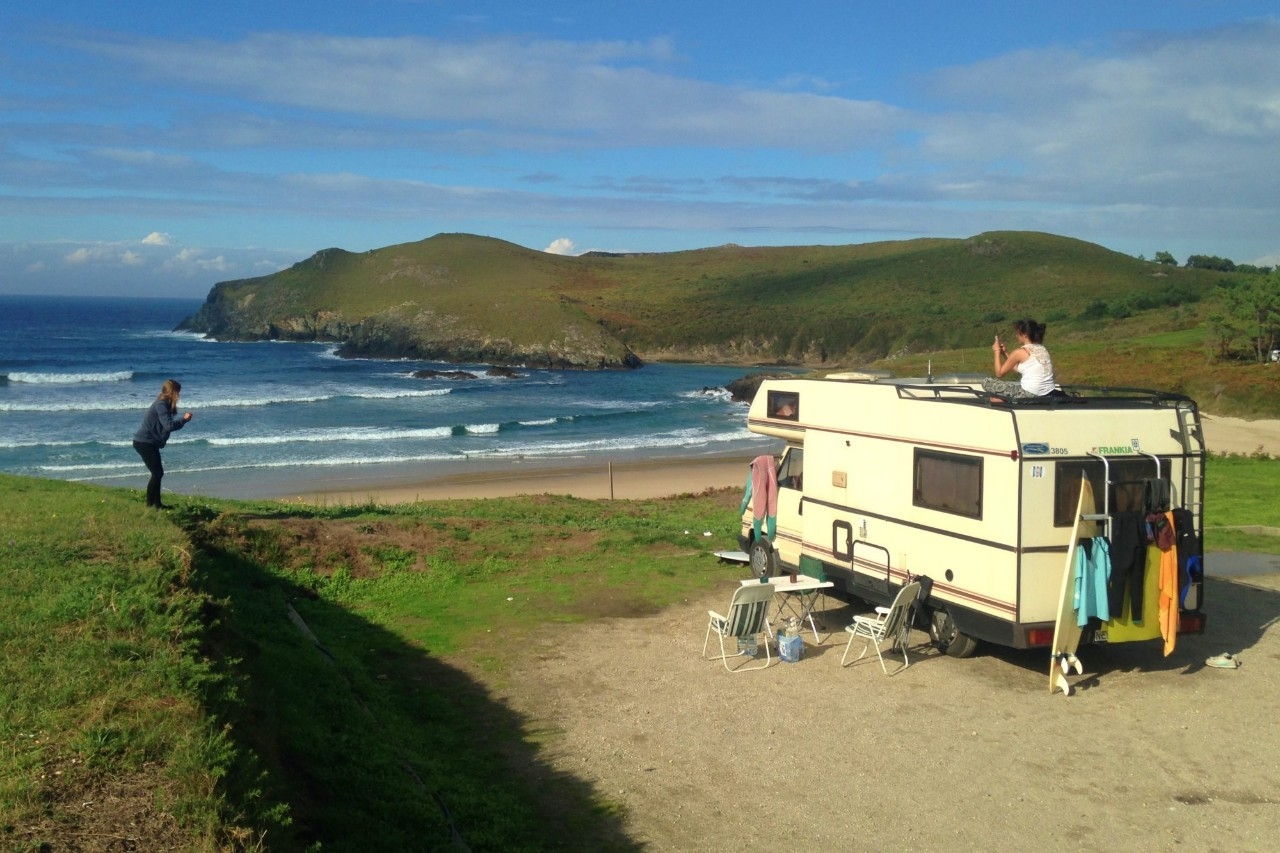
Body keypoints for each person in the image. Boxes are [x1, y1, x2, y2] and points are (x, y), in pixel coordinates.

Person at [133, 378, 193, 509]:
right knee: (157, 473)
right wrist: (184, 420)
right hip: (144, 442)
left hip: (149, 443)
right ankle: (149, 505)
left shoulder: (165, 404)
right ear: (172, 392)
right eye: (178, 392)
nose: (179, 396)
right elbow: (168, 426)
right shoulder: (161, 404)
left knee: (158, 473)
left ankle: (157, 504)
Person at [982, 318, 1055, 399]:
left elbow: (999, 373)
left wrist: (996, 351)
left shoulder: (1019, 352)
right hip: (1047, 392)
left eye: (1018, 333)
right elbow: (1019, 369)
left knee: (987, 382)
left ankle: (1005, 400)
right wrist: (1005, 353)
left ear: (1025, 335)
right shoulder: (1042, 349)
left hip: (1029, 394)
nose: (1016, 336)